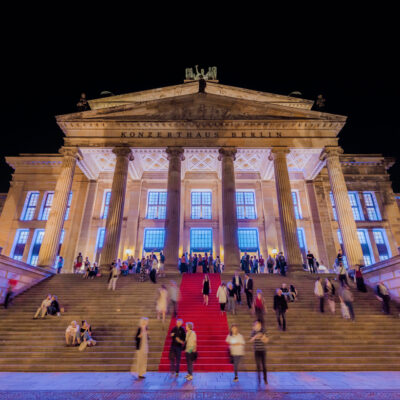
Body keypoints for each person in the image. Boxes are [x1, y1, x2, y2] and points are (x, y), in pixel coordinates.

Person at [250, 320, 268, 385]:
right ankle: (259, 379)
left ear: (260, 324)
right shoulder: (253, 331)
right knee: (258, 366)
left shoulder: (263, 330)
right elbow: (251, 340)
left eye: (257, 324)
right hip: (256, 351)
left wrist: (262, 337)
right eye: (255, 324)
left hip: (263, 350)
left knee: (264, 366)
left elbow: (266, 341)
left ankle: (265, 379)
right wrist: (255, 336)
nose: (256, 325)